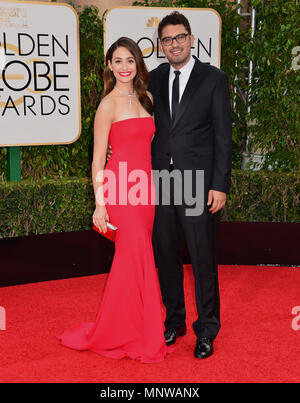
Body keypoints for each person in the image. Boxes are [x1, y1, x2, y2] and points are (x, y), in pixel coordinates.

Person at [58, 37, 174, 363]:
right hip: (120, 190)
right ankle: (134, 332)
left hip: (145, 188)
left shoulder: (147, 98)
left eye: (130, 60)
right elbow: (97, 160)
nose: (124, 67)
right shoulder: (106, 106)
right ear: (109, 66)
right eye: (117, 61)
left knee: (137, 259)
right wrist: (100, 203)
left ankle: (132, 326)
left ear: (138, 64)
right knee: (132, 257)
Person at [149, 11, 232, 359]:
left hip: (199, 183)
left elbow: (222, 137)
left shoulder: (213, 79)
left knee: (201, 257)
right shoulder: (150, 80)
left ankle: (207, 328)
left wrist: (220, 184)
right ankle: (175, 320)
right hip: (162, 181)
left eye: (179, 37)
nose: (174, 44)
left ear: (191, 39)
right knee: (166, 254)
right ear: (161, 45)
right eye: (167, 39)